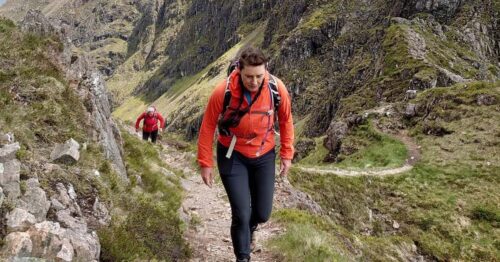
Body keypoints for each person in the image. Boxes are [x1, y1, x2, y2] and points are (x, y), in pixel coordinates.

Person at [197, 46, 294, 262]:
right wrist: (205, 162)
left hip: (264, 153)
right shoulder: (223, 91)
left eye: (259, 76)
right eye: (249, 76)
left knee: (262, 214)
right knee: (240, 213)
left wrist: (287, 154)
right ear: (239, 70)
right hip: (233, 155)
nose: (254, 81)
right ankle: (243, 257)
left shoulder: (276, 89)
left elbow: (286, 120)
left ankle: (251, 227)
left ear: (265, 71)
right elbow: (207, 126)